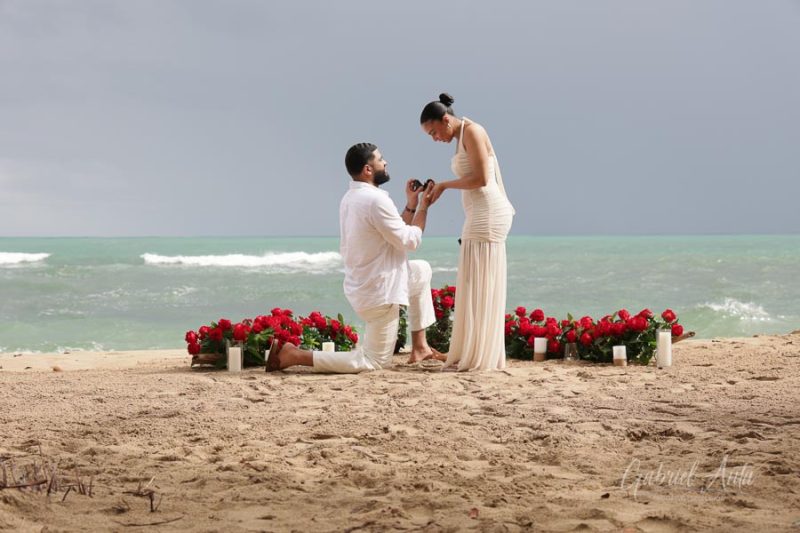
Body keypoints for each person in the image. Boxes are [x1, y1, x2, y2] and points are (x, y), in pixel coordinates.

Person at [267, 142, 442, 373]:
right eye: (380, 159)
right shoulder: (376, 200)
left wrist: (411, 204)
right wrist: (424, 207)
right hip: (380, 293)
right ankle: (295, 355)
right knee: (374, 362)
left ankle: (420, 347)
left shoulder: (351, 198)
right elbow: (410, 241)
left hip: (367, 285)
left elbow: (393, 233)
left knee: (421, 271)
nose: (385, 162)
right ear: (368, 169)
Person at [419, 93, 515, 371]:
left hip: (488, 213)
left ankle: (479, 352)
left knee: (479, 280)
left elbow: (482, 178)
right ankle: (470, 349)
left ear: (446, 120)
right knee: (473, 281)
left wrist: (445, 185)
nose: (435, 138)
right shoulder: (460, 137)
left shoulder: (473, 131)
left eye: (434, 132)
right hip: (477, 213)